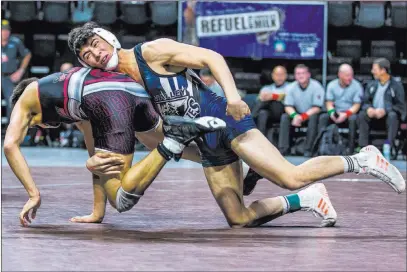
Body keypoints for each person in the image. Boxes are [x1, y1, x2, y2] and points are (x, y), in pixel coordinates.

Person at [68, 22, 405, 228]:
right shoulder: (123, 86)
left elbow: (211, 58)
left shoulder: (152, 52)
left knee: (288, 175)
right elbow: (154, 133)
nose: (94, 54)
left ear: (107, 38)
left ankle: (362, 159)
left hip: (226, 119)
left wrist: (231, 96)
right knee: (238, 219)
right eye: (86, 55)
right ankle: (308, 199)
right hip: (206, 140)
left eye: (94, 45)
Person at [4, 67, 226, 226]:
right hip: (132, 90)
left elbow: (9, 145)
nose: (48, 126)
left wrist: (33, 195)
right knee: (151, 140)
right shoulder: (71, 102)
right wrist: (97, 213)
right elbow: (97, 153)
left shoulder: (27, 97)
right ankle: (234, 158)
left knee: (120, 197)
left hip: (108, 98)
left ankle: (173, 139)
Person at [358, 58, 406, 151]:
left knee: (393, 115)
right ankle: (363, 147)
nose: (372, 72)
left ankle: (388, 146)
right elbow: (365, 102)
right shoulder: (371, 85)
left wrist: (385, 110)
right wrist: (369, 108)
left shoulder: (396, 86)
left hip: (388, 117)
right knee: (362, 115)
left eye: (375, 69)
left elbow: (400, 106)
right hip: (373, 116)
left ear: (383, 70)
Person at [278, 64, 324, 157]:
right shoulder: (290, 87)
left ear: (308, 75)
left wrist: (302, 117)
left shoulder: (317, 86)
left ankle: (308, 149)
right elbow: (288, 106)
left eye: (303, 73)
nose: (300, 76)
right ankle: (283, 149)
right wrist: (295, 116)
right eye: (298, 73)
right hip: (297, 114)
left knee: (314, 117)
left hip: (311, 114)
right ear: (295, 76)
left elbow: (317, 108)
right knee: (285, 117)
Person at [318, 64, 363, 154]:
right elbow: (329, 102)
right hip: (335, 112)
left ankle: (350, 150)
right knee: (323, 117)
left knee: (353, 119)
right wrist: (331, 112)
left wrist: (346, 114)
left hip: (349, 113)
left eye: (351, 75)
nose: (350, 78)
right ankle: (320, 147)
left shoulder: (357, 86)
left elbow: (357, 105)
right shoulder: (332, 85)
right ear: (340, 75)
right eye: (347, 75)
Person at [1, 19, 32, 122]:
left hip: (8, 77)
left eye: (7, 30)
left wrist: (20, 71)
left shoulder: (15, 42)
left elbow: (27, 54)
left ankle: (9, 130)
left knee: (11, 103)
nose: (5, 32)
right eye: (2, 30)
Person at [251, 65, 289, 137]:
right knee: (262, 113)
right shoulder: (267, 88)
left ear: (286, 75)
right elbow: (259, 100)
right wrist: (262, 97)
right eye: (277, 75)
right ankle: (260, 139)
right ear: (272, 76)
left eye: (281, 74)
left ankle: (250, 119)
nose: (279, 77)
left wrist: (273, 96)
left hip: (283, 111)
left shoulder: (290, 87)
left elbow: (288, 97)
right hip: (270, 113)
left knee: (270, 101)